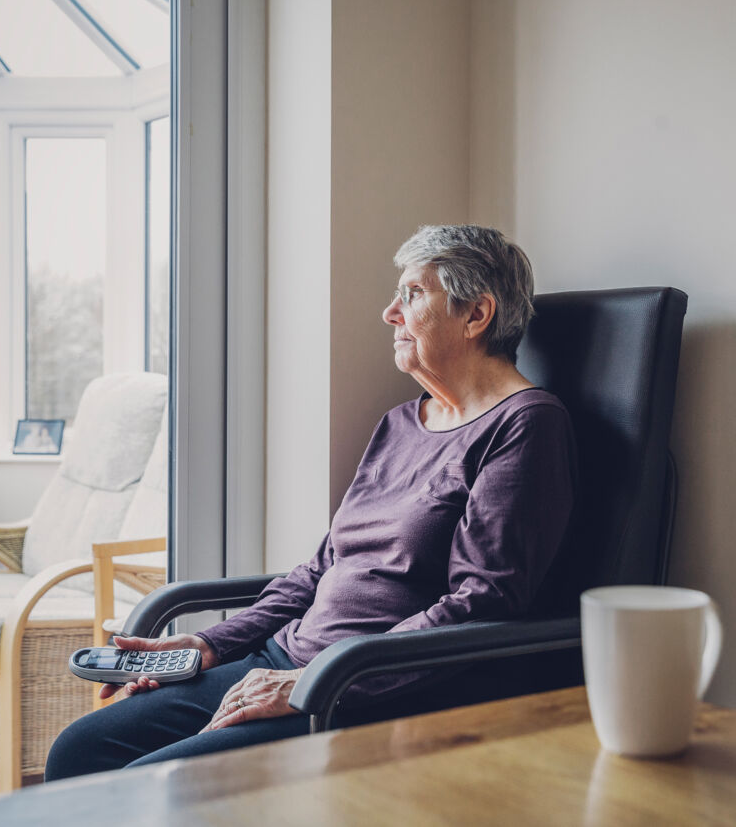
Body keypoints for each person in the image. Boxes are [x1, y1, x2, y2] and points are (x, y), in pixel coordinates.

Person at [45, 225, 576, 779]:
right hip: (287, 660)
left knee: (148, 787)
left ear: (476, 315)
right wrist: (208, 643)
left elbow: (482, 600)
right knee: (79, 751)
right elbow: (323, 567)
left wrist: (317, 680)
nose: (390, 312)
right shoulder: (400, 424)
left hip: (368, 689)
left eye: (414, 294)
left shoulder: (526, 424)